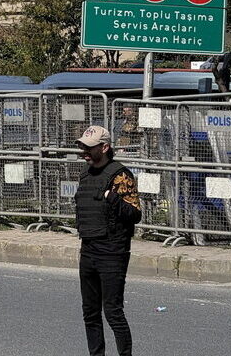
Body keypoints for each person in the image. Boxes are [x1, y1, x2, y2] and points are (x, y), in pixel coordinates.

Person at [74, 125, 140, 356]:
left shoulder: (120, 175)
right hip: (89, 248)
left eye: (89, 148)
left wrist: (112, 198)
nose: (84, 151)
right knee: (90, 312)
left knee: (113, 311)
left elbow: (134, 214)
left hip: (112, 251)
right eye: (83, 146)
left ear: (104, 147)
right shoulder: (85, 174)